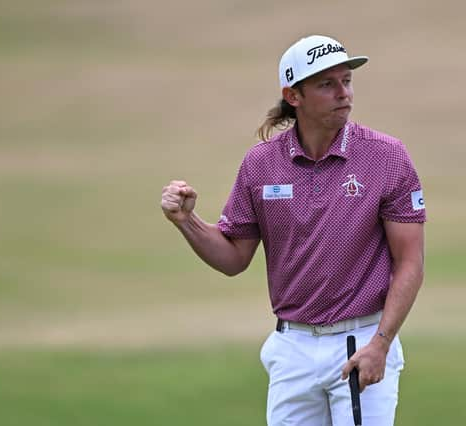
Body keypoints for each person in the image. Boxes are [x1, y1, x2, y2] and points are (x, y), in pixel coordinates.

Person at [161, 34, 426, 426]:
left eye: (347, 81)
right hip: (291, 348)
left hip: (361, 342)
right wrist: (188, 222)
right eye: (326, 84)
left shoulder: (386, 157)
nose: (343, 93)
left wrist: (381, 344)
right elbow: (234, 258)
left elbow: (409, 263)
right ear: (294, 95)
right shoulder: (261, 165)